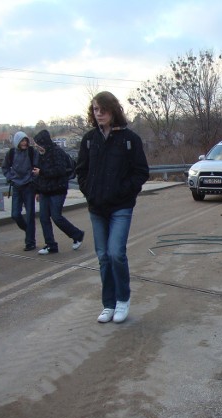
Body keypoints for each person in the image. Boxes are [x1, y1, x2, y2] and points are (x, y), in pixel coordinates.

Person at [76, 91, 149, 324]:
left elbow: (141, 173)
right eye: (95, 110)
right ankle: (108, 304)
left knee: (116, 253)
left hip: (121, 207)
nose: (99, 114)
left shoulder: (130, 139)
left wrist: (123, 192)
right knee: (103, 256)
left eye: (103, 109)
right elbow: (81, 170)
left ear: (113, 110)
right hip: (97, 208)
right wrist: (90, 192)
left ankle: (122, 300)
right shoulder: (89, 139)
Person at [32, 129, 85, 255]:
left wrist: (42, 172)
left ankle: (77, 234)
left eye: (38, 144)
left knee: (56, 217)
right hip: (44, 190)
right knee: (44, 218)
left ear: (44, 143)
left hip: (58, 190)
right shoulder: (40, 155)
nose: (36, 146)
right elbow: (37, 174)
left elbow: (60, 171)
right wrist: (37, 191)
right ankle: (51, 245)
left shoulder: (57, 152)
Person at [2, 131, 37, 251]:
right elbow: (5, 167)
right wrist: (10, 178)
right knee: (15, 214)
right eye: (22, 141)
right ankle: (29, 230)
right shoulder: (11, 153)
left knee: (30, 214)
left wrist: (33, 179)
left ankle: (30, 242)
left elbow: (37, 166)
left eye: (25, 140)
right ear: (17, 142)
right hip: (17, 186)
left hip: (29, 186)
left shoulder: (32, 152)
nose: (24, 143)